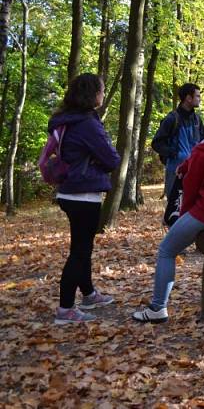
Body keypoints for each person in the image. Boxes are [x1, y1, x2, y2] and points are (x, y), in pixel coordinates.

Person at [133, 101, 204, 323]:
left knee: (166, 250)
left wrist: (182, 217)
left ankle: (158, 308)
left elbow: (191, 188)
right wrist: (188, 165)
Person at [48, 73, 121, 324]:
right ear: (92, 94)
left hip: (70, 191)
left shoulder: (67, 120)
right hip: (84, 194)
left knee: (82, 246)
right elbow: (111, 159)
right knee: (80, 251)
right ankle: (65, 309)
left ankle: (88, 293)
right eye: (101, 90)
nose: (102, 94)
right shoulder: (87, 124)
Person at [152, 83, 204, 197]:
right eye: (197, 96)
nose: (199, 99)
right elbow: (156, 143)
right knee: (174, 207)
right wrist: (173, 153)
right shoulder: (172, 119)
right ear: (188, 98)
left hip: (195, 171)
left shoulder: (197, 120)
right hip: (175, 172)